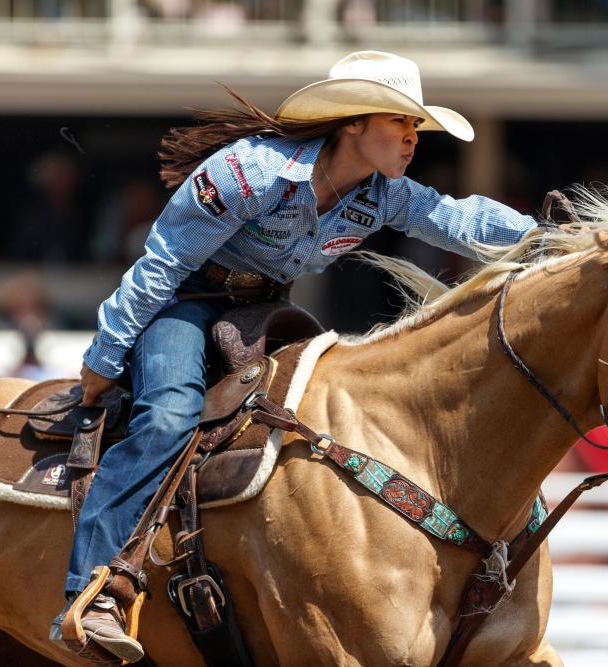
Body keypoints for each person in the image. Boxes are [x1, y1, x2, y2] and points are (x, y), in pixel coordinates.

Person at [55, 51, 538, 661]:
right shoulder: (250, 173)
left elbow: (454, 217)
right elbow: (165, 262)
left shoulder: (382, 194)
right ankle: (92, 593)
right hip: (188, 302)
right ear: (353, 124)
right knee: (168, 415)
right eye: (401, 123)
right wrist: (106, 354)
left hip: (263, 314)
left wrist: (545, 234)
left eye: (417, 128)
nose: (413, 140)